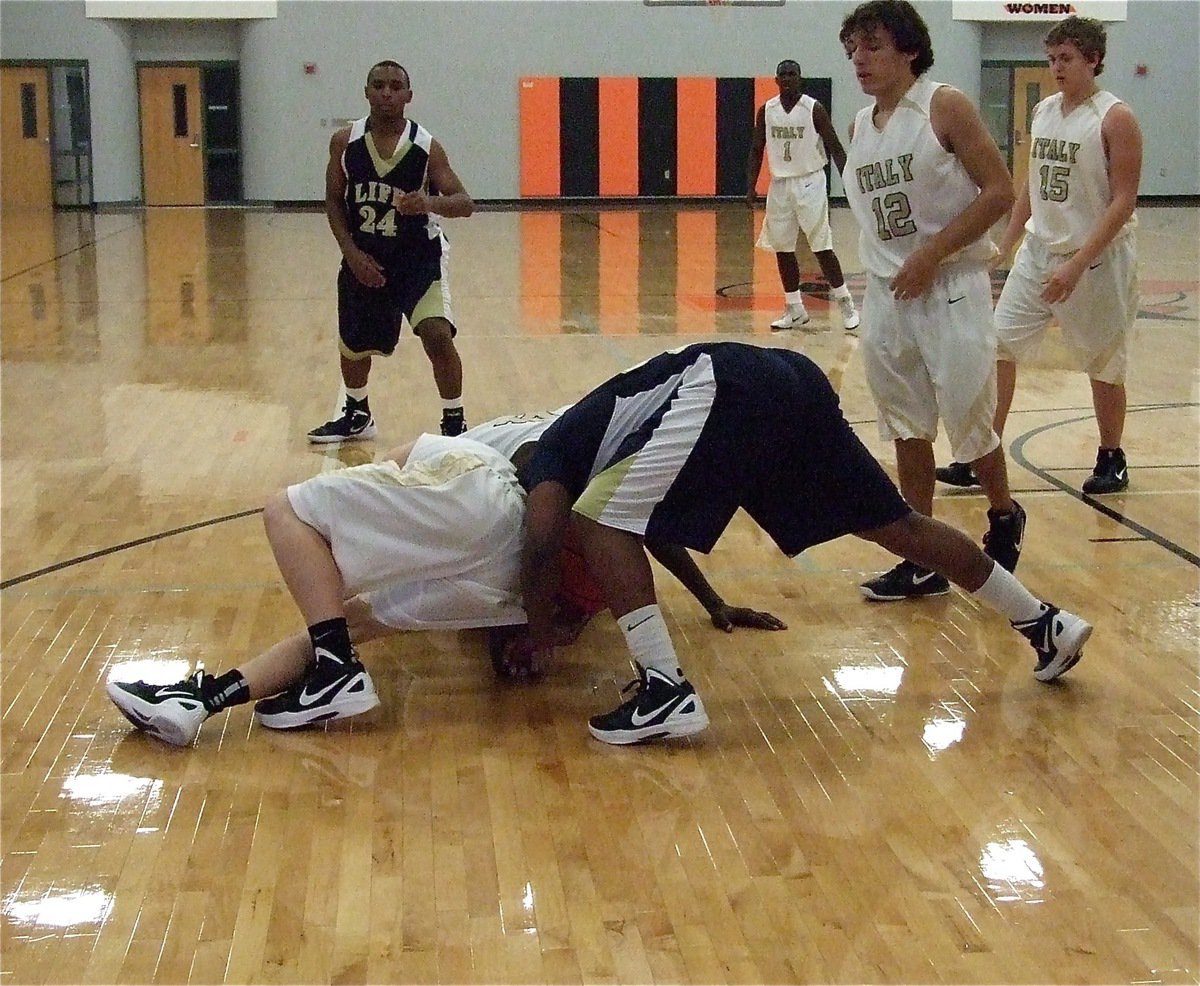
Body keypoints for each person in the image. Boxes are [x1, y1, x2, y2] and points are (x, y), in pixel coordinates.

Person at [517, 341, 1093, 746]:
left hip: (723, 386)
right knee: (896, 525)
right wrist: (712, 603)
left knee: (594, 522)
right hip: (788, 378)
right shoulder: (608, 444)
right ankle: (1044, 622)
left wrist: (538, 635)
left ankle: (665, 690)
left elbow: (545, 533)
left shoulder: (553, 451)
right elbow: (648, 529)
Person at [107, 412, 783, 747]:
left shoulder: (532, 442)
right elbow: (639, 528)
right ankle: (200, 702)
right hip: (501, 578)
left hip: (489, 505)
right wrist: (712, 601)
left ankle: (335, 673)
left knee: (288, 514)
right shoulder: (593, 512)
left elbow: (416, 458)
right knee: (347, 623)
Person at [838, 0, 1028, 602]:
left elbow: (1000, 191)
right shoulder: (860, 127)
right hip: (889, 296)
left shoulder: (944, 105)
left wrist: (933, 252)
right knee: (904, 424)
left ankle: (1003, 512)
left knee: (969, 422)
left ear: (909, 49)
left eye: (872, 46)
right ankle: (921, 553)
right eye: (852, 51)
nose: (859, 60)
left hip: (949, 286)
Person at [936, 15, 1141, 495]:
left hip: (1098, 257)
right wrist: (1007, 242)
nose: (1056, 67)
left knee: (1104, 361)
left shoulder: (1116, 117)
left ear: (1093, 59)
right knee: (999, 343)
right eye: (1051, 58)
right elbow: (1031, 181)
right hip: (1039, 249)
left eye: (1066, 58)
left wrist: (1076, 263)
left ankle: (1112, 456)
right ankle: (982, 453)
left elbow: (1124, 200)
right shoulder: (1045, 109)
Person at [308, 60, 473, 445]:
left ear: (408, 96)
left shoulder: (425, 146)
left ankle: (454, 422)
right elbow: (334, 201)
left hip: (418, 258)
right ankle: (357, 413)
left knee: (436, 335)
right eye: (378, 85)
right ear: (366, 92)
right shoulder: (344, 142)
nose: (386, 92)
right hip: (365, 256)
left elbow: (464, 202)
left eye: (395, 86)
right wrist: (350, 253)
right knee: (354, 344)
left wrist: (428, 202)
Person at [747, 59, 861, 332]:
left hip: (810, 181)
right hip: (781, 184)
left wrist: (849, 182)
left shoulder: (813, 109)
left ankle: (845, 302)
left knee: (821, 246)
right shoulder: (767, 110)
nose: (787, 78)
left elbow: (835, 146)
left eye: (792, 74)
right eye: (783, 75)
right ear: (776, 80)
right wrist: (750, 185)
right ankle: (794, 307)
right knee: (782, 248)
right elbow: (756, 148)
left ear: (800, 78)